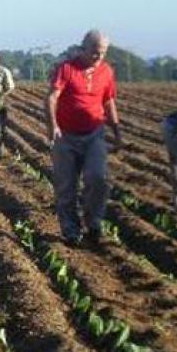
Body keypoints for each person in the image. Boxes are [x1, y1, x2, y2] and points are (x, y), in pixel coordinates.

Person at [45, 29, 123, 246]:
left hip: (94, 134)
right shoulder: (67, 68)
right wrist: (53, 127)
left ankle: (94, 222)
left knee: (98, 178)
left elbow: (108, 102)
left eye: (103, 52)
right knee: (66, 186)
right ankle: (71, 230)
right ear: (83, 48)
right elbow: (51, 98)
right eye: (95, 52)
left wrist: (117, 133)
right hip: (66, 136)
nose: (98, 57)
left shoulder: (106, 71)